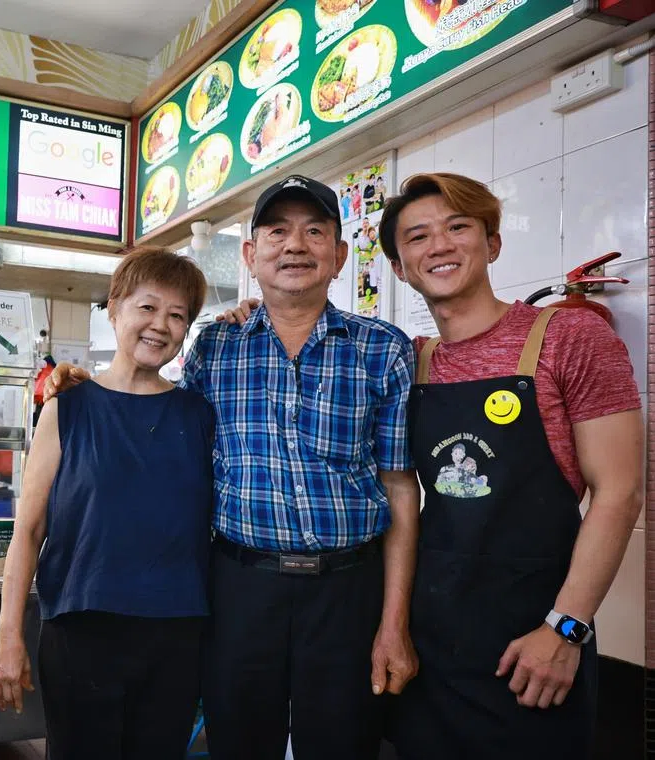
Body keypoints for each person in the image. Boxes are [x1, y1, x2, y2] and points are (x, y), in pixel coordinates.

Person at [46, 176, 421, 759]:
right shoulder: (215, 348)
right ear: (251, 255)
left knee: (344, 745)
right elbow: (153, 411)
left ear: (341, 255)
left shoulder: (383, 349)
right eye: (277, 231)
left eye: (315, 231)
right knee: (239, 746)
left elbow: (400, 488)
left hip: (348, 591)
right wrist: (78, 384)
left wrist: (394, 622)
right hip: (240, 589)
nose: (295, 245)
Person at [376, 172, 643, 759]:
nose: (439, 246)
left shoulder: (569, 336)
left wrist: (566, 629)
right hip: (431, 638)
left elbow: (620, 493)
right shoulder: (408, 359)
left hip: (536, 639)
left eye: (458, 227)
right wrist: (252, 314)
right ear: (399, 267)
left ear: (492, 243)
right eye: (417, 237)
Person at [0, 247, 214, 760]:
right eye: (148, 307)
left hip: (175, 636)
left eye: (178, 316)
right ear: (114, 308)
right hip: (79, 635)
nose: (161, 325)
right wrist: (8, 638)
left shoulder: (199, 415)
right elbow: (27, 531)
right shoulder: (67, 408)